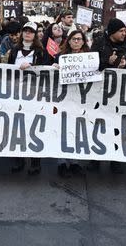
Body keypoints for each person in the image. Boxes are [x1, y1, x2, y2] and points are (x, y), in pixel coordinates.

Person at [90, 18, 126, 174]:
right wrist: (107, 61)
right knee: (98, 124)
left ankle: (115, 160)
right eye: (121, 31)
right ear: (112, 32)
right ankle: (95, 159)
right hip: (100, 92)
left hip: (120, 93)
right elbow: (91, 64)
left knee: (118, 126)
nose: (124, 34)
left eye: (125, 31)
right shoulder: (99, 43)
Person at [7, 22, 51, 175]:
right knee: (17, 128)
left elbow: (47, 69)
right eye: (25, 31)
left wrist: (32, 65)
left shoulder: (41, 52)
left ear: (35, 34)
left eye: (31, 31)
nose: (27, 34)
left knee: (34, 129)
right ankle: (18, 160)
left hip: (35, 96)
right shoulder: (14, 51)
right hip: (16, 95)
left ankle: (35, 162)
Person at [52, 28, 88, 178]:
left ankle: (74, 163)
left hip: (81, 99)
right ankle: (61, 163)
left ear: (84, 42)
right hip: (62, 98)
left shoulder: (89, 57)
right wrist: (54, 68)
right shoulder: (60, 56)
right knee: (62, 129)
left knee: (77, 129)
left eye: (80, 39)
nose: (77, 42)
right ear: (69, 41)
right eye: (74, 39)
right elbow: (50, 76)